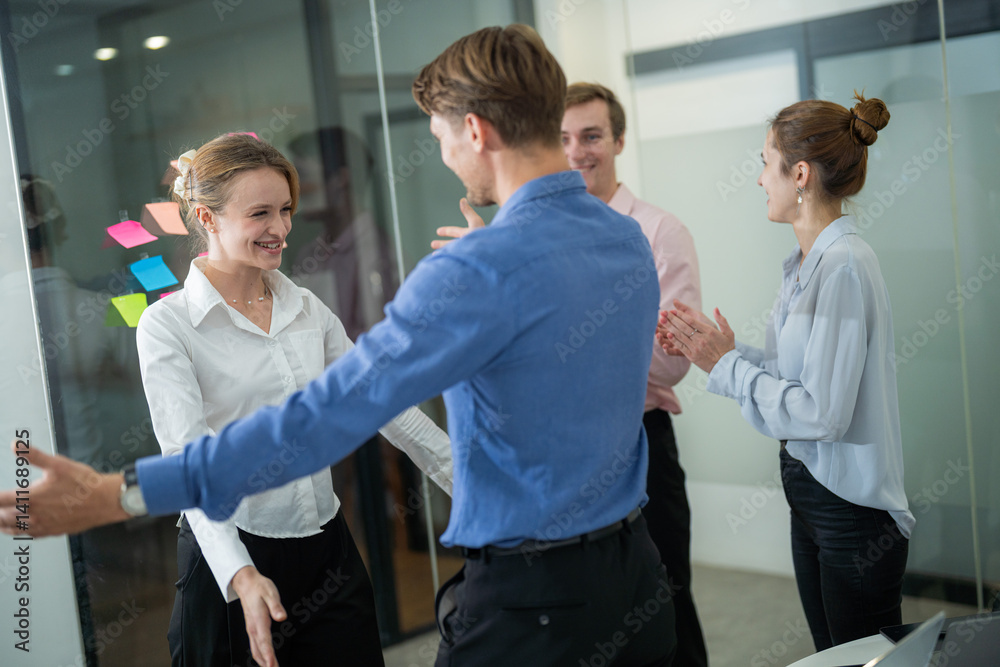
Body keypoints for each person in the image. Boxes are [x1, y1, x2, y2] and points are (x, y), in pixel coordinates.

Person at [0, 25, 676, 666]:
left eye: (442, 137)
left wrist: (124, 493)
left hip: (537, 600)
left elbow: (321, 419)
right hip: (638, 570)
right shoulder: (622, 237)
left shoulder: (476, 268)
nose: (443, 154)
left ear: (475, 130)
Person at [143, 133, 452, 666]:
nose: (282, 228)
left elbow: (381, 403)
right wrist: (240, 574)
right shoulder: (167, 326)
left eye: (286, 209)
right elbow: (186, 457)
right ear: (207, 218)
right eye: (260, 213)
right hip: (233, 552)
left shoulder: (306, 306)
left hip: (326, 547)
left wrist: (474, 482)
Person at [435, 81, 707, 667]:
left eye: (593, 136)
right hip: (556, 460)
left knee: (663, 615)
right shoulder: (520, 233)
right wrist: (504, 268)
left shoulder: (658, 232)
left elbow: (675, 364)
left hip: (639, 447)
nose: (579, 150)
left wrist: (574, 316)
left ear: (619, 141)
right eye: (565, 138)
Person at [657, 93, 913, 651]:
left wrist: (724, 366)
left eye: (764, 162)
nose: (757, 179)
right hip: (812, 493)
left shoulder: (843, 265)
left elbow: (821, 413)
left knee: (859, 658)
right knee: (833, 658)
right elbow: (793, 378)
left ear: (799, 173)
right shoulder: (805, 263)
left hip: (851, 513)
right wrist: (726, 350)